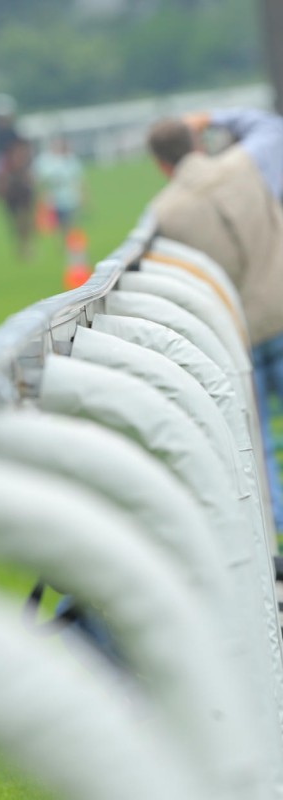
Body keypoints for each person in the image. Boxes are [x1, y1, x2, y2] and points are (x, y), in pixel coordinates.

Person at [146, 107, 283, 534]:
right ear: (197, 141)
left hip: (232, 335)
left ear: (160, 164)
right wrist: (212, 116)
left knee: (253, 448)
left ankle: (275, 536)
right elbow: (268, 126)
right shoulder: (249, 163)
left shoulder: (162, 214)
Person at [0, 93, 35, 260]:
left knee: (28, 167)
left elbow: (24, 147)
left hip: (16, 161)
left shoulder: (15, 131)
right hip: (3, 161)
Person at [33, 135, 86, 246]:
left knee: (69, 223)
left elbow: (78, 180)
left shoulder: (71, 160)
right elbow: (39, 181)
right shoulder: (45, 161)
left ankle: (68, 243)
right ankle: (62, 243)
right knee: (57, 225)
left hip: (69, 198)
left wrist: (82, 196)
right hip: (53, 200)